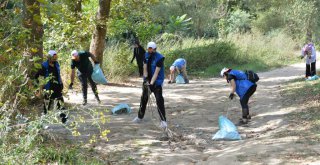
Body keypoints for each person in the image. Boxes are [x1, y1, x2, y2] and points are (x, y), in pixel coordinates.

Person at [132, 42, 167, 129]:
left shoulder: (160, 58)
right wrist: (146, 80)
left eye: (151, 48)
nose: (150, 50)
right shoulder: (145, 55)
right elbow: (145, 68)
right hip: (147, 81)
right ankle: (140, 117)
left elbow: (156, 73)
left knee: (159, 100)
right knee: (143, 99)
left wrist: (151, 83)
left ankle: (163, 121)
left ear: (155, 49)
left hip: (157, 82)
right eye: (149, 48)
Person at [34, 50, 67, 123]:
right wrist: (40, 90)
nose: (55, 59)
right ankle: (44, 119)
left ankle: (64, 119)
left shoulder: (57, 64)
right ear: (49, 57)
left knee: (60, 102)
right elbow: (41, 78)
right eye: (53, 57)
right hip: (48, 88)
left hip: (57, 87)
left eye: (56, 57)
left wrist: (61, 83)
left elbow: (58, 74)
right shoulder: (44, 66)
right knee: (47, 104)